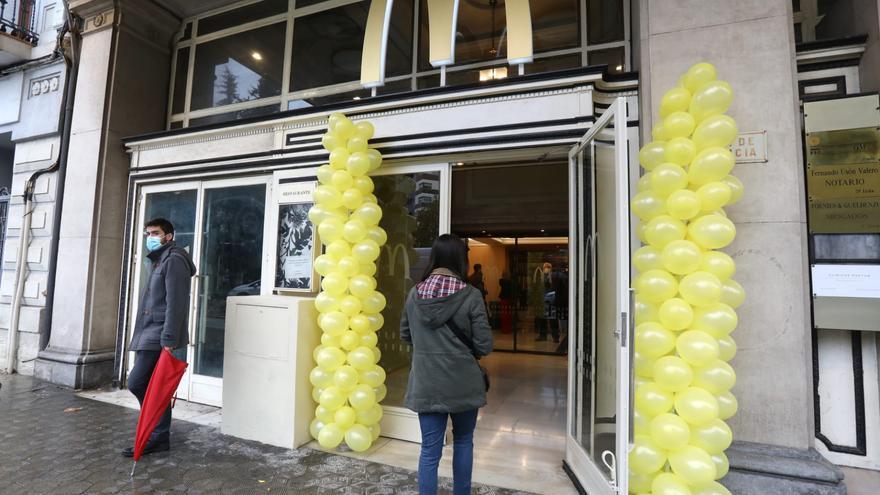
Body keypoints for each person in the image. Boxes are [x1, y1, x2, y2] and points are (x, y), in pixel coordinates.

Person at [400, 234, 493, 495]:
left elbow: (406, 335)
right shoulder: (471, 295)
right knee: (463, 441)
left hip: (426, 382)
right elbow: (484, 345)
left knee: (429, 449)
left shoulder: (414, 294)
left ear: (434, 258)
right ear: (461, 260)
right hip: (463, 383)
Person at [122, 218, 196, 458]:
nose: (150, 237)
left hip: (159, 334)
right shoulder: (159, 260)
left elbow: (177, 303)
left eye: (155, 233)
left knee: (137, 382)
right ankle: (158, 434)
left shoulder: (173, 259)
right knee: (151, 386)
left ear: (169, 236)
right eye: (147, 233)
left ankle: (156, 431)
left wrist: (169, 339)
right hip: (150, 331)